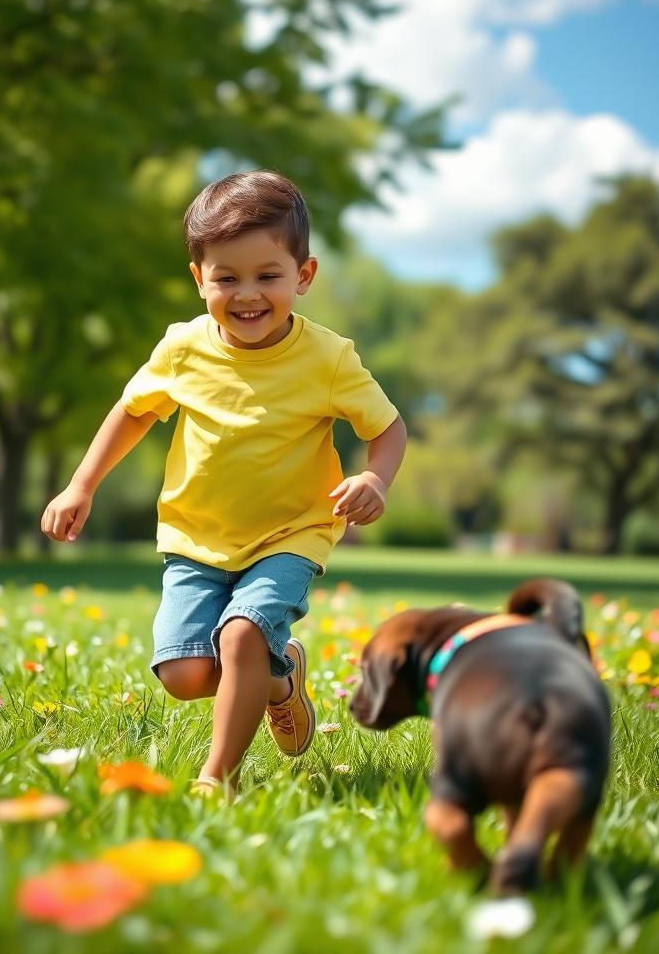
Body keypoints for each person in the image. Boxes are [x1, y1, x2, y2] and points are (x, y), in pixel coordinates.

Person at [40, 170, 407, 794]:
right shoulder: (182, 348)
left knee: (240, 636)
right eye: (226, 277)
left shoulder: (329, 358)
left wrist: (376, 475)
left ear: (304, 276)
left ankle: (220, 779)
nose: (248, 295)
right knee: (185, 673)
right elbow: (132, 412)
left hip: (293, 532)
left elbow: (389, 427)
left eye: (268, 275)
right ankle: (281, 677)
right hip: (197, 535)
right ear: (198, 277)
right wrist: (81, 485)